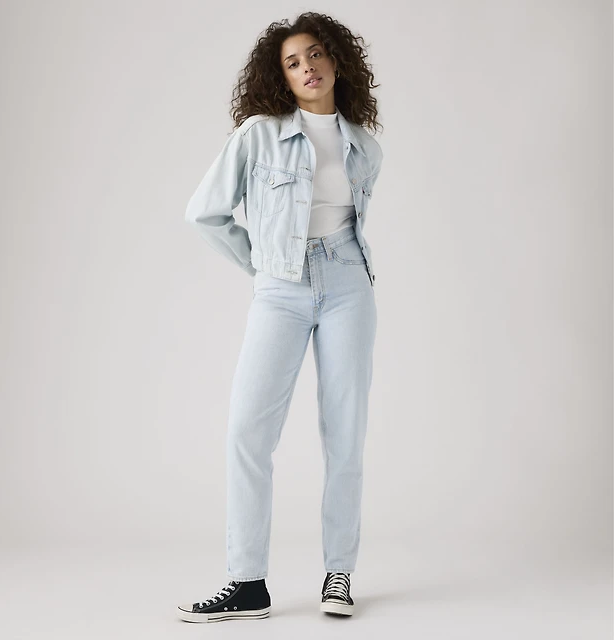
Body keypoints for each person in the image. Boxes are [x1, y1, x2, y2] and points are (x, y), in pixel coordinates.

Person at [177, 11, 383, 623]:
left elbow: (352, 223)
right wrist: (265, 265)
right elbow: (204, 212)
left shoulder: (365, 147)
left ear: (337, 60)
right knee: (248, 430)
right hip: (280, 290)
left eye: (315, 54)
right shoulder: (258, 135)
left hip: (349, 284)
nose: (307, 67)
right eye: (293, 62)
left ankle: (339, 575)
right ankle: (247, 584)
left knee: (345, 434)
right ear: (281, 77)